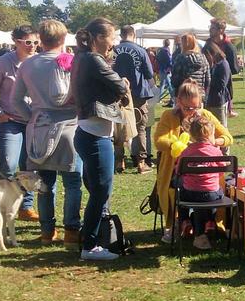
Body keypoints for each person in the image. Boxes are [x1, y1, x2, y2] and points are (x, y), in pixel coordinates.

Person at [12, 19, 84, 249]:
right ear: (63, 39)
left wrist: (31, 117)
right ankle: (71, 232)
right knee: (73, 183)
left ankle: (46, 231)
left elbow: (15, 101)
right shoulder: (73, 63)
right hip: (69, 127)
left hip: (40, 128)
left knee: (44, 185)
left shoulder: (27, 65)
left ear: (40, 39)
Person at [70, 18, 128, 261]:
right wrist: (122, 84)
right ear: (97, 38)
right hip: (95, 135)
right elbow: (120, 85)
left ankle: (90, 240)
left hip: (90, 132)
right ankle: (90, 246)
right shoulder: (92, 59)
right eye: (111, 37)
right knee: (100, 191)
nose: (113, 43)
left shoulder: (83, 58)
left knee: (98, 190)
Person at [154, 81, 233, 243]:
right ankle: (180, 223)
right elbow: (158, 141)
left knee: (198, 187)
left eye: (196, 107)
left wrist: (211, 142)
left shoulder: (205, 116)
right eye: (187, 108)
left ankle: (201, 223)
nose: (192, 112)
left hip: (202, 177)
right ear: (178, 102)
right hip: (173, 171)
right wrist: (176, 144)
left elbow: (228, 137)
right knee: (179, 187)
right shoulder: (169, 116)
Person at [0, 24, 40, 222]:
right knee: (8, 163)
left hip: (34, 122)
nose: (33, 46)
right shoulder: (4, 62)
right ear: (16, 42)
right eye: (28, 42)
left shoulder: (38, 62)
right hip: (10, 121)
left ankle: (26, 207)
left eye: (36, 41)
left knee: (30, 166)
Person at [174, 116, 226, 250]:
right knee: (215, 190)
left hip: (190, 194)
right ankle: (209, 221)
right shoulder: (216, 151)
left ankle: (185, 220)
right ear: (211, 134)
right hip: (212, 194)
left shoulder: (186, 152)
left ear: (191, 134)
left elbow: (179, 171)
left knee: (179, 189)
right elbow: (222, 171)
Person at [113, 25, 155, 174]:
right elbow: (149, 73)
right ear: (133, 35)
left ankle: (119, 161)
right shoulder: (140, 50)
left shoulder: (113, 50)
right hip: (138, 93)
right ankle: (141, 162)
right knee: (140, 127)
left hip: (117, 93)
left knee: (118, 127)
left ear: (121, 35)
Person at [203, 18, 240, 117]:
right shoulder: (207, 45)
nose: (210, 30)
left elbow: (234, 68)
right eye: (210, 27)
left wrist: (221, 71)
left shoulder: (229, 47)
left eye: (213, 28)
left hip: (222, 87)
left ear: (221, 30)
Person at [204, 41, 231, 128]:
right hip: (210, 101)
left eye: (207, 56)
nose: (206, 59)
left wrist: (209, 81)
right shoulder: (214, 65)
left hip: (218, 101)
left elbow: (222, 84)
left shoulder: (223, 64)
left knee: (221, 127)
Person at [156, 38, 174, 104]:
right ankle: (172, 97)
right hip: (166, 70)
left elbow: (157, 58)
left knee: (162, 84)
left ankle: (160, 98)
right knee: (169, 85)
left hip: (161, 69)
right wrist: (169, 67)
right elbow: (169, 60)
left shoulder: (160, 50)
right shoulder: (166, 51)